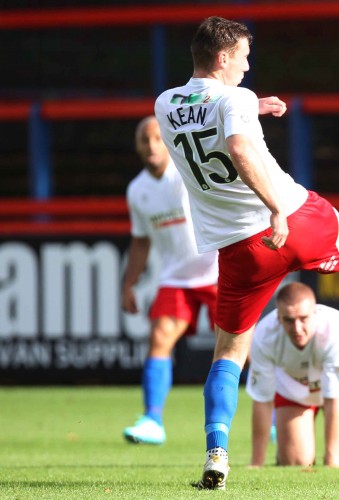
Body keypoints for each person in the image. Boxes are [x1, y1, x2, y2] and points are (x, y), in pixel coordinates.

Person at [154, 16, 339, 490]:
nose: (248, 68)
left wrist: (252, 104)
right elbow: (236, 143)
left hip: (240, 252)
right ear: (223, 57)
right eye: (245, 58)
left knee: (229, 353)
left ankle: (216, 452)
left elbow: (212, 109)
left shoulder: (165, 104)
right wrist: (275, 207)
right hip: (293, 219)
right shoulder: (234, 99)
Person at [121, 116, 219, 445]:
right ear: (136, 146)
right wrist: (128, 283)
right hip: (176, 277)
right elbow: (141, 240)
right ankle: (153, 420)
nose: (150, 145)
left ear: (167, 141)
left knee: (240, 348)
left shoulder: (188, 171)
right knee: (160, 338)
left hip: (218, 270)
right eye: (143, 140)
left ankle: (275, 415)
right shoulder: (137, 190)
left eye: (156, 138)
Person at [246, 282, 339, 468]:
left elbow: (333, 401)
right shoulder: (264, 336)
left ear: (314, 313)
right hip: (293, 381)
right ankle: (285, 452)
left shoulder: (335, 333)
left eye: (303, 318)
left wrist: (332, 462)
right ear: (278, 318)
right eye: (288, 320)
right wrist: (256, 463)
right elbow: (262, 401)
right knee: (296, 461)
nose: (297, 328)